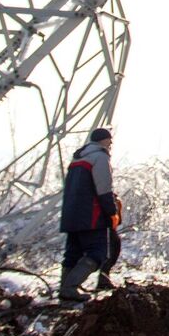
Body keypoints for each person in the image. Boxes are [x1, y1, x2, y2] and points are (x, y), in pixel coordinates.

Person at [59, 128, 120, 303]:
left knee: (73, 252)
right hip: (91, 216)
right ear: (104, 141)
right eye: (110, 141)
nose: (111, 144)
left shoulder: (78, 157)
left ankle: (65, 288)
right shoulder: (100, 158)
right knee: (97, 253)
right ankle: (69, 287)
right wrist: (111, 212)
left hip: (71, 213)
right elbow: (103, 188)